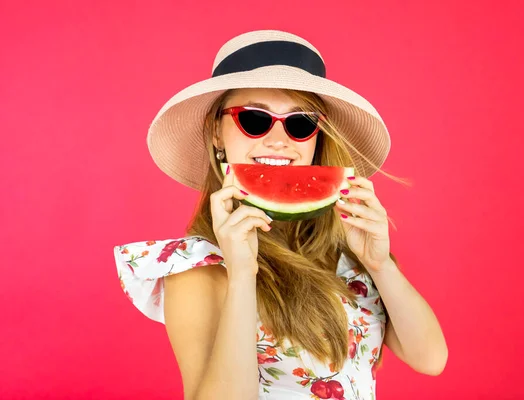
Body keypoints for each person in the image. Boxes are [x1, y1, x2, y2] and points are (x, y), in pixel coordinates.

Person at [113, 30, 447, 400]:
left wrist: (381, 264)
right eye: (254, 119)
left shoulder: (350, 254)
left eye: (300, 123)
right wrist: (243, 275)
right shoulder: (196, 267)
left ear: (319, 136)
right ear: (216, 134)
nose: (278, 140)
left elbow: (430, 359)